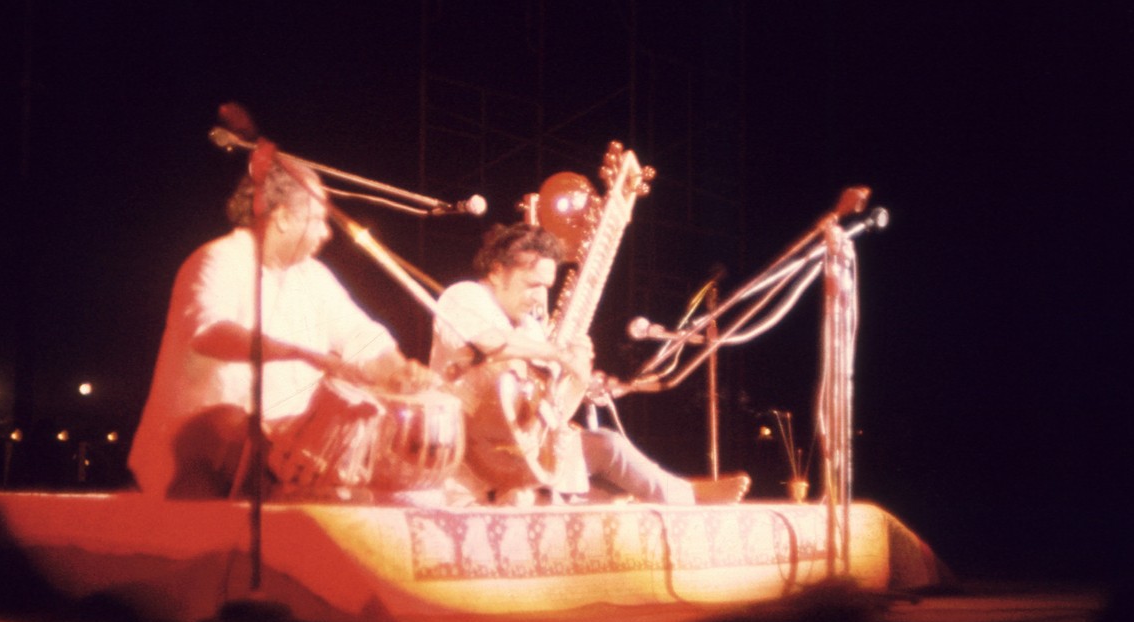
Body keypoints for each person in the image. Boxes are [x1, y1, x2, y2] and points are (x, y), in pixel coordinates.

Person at [128, 157, 419, 499]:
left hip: (283, 459)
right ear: (281, 218)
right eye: (317, 220)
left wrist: (403, 374)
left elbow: (363, 339)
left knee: (365, 497)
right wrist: (304, 355)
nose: (326, 233)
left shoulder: (314, 277)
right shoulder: (219, 259)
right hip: (200, 458)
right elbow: (210, 334)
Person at [430, 222, 749, 505]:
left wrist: (578, 376)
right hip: (469, 468)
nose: (540, 298)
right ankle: (685, 493)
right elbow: (486, 342)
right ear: (498, 270)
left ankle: (682, 493)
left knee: (607, 453)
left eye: (546, 287)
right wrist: (555, 354)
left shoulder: (529, 327)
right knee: (566, 495)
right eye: (532, 284)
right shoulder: (465, 297)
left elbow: (551, 419)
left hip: (521, 464)